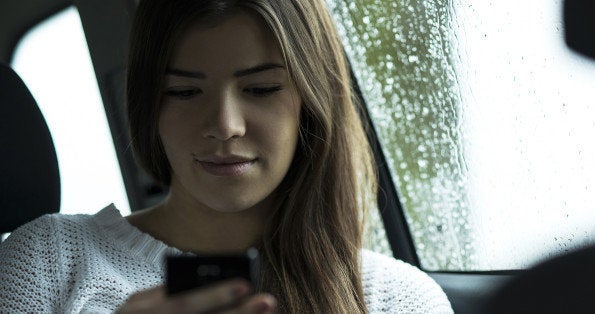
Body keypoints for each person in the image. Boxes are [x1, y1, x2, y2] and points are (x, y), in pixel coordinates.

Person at [0, 0, 452, 313]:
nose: (224, 124)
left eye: (260, 89)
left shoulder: (400, 299)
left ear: (310, 104)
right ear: (148, 107)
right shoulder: (45, 262)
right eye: (184, 91)